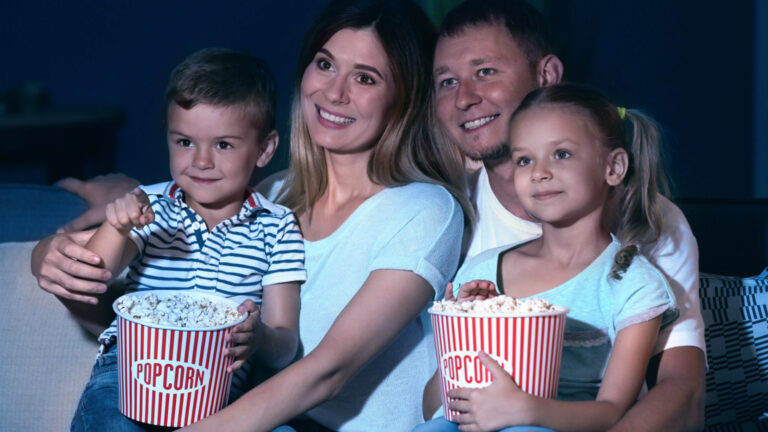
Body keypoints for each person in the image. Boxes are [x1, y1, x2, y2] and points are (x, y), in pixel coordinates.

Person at [33, 0, 471, 430]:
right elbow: (136, 295)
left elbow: (328, 372)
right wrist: (49, 259)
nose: (335, 92)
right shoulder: (268, 195)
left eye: (365, 77)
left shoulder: (424, 209)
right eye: (324, 64)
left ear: (405, 99)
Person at [427, 1, 705, 430]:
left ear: (546, 75)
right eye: (447, 81)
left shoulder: (650, 228)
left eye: (485, 72)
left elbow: (680, 391)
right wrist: (466, 327)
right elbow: (437, 398)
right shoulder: (446, 217)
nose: (464, 97)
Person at [67, 47, 308, 431]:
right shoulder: (152, 206)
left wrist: (258, 337)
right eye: (184, 142)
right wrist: (116, 227)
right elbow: (95, 271)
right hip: (133, 374)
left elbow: (285, 344)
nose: (200, 161)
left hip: (222, 391)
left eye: (223, 145)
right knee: (111, 422)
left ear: (265, 149)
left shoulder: (276, 227)